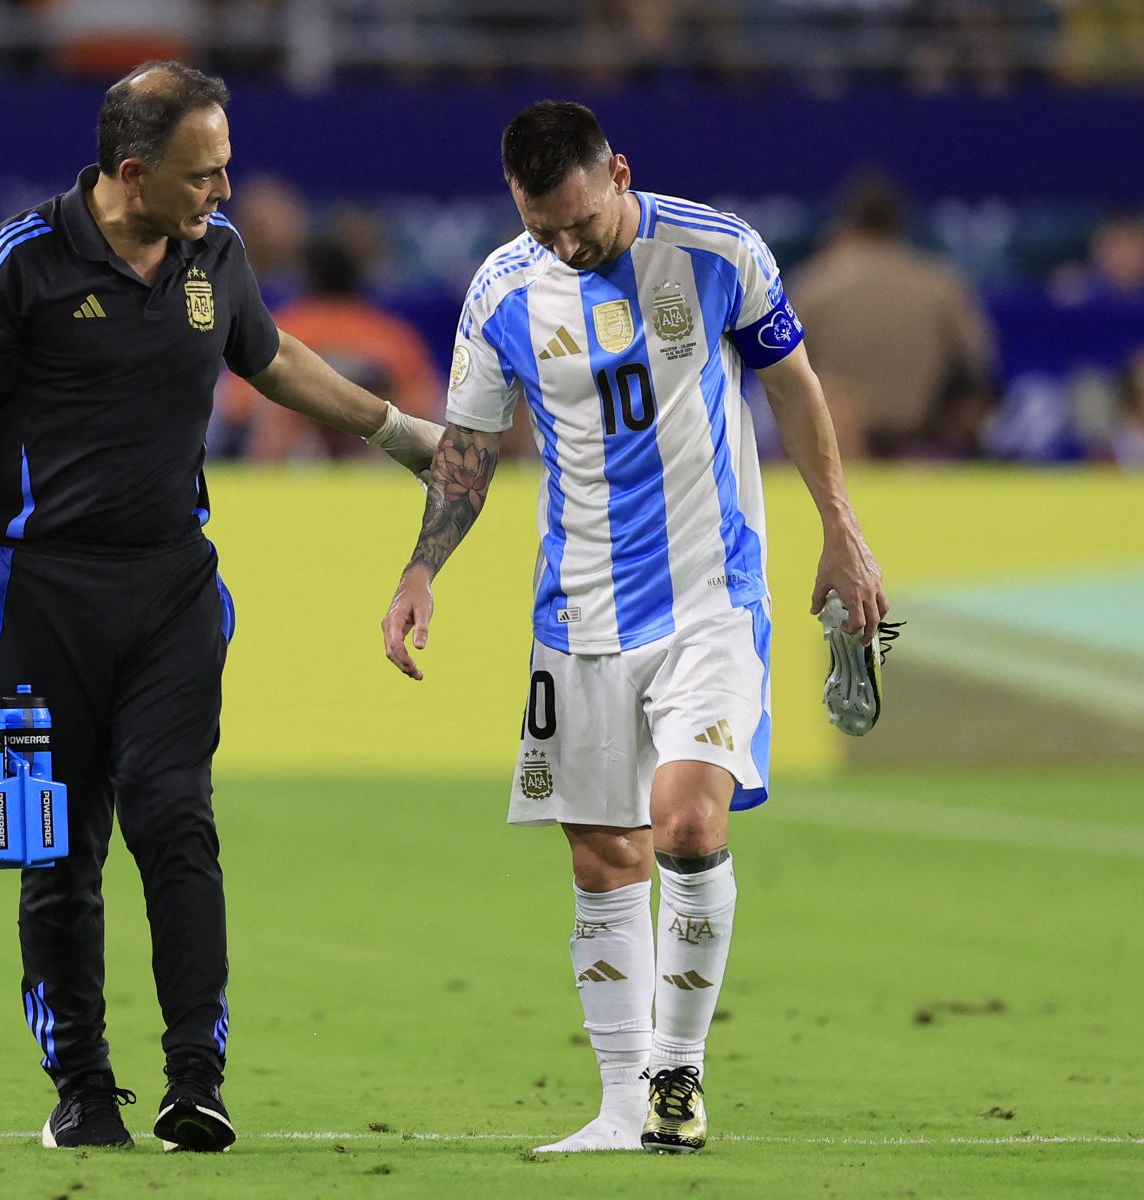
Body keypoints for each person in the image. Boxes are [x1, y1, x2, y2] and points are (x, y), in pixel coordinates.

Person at [0, 61, 441, 1154]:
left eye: (228, 169)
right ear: (130, 173)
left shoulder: (218, 256)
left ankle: (196, 1078)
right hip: (37, 589)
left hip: (169, 584)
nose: (224, 192)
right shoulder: (17, 264)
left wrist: (395, 432)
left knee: (176, 821)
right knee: (59, 848)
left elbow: (273, 358)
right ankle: (83, 1087)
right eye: (204, 174)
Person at [379, 101, 887, 1155]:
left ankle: (677, 1081)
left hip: (713, 594)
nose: (564, 244)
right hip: (579, 611)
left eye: (579, 221)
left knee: (689, 826)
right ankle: (619, 1105)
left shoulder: (715, 251)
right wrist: (422, 568)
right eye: (541, 226)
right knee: (604, 856)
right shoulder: (504, 289)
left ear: (618, 171)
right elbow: (470, 450)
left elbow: (791, 384)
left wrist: (842, 531)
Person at [787, 171, 997, 458]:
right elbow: (978, 362)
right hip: (920, 451)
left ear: (846, 224)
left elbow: (781, 372)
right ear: (901, 225)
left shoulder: (814, 284)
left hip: (839, 451)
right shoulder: (941, 284)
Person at [236, 237, 442, 462]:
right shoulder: (393, 334)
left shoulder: (283, 328)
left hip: (290, 469)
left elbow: (237, 407)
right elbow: (426, 410)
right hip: (379, 465)